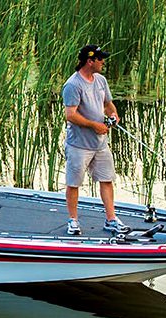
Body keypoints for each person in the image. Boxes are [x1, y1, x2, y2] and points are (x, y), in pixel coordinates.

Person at [61, 44, 130, 235]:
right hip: (79, 145)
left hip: (100, 145)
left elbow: (108, 104)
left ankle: (111, 219)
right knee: (74, 183)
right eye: (100, 59)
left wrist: (114, 115)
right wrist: (94, 125)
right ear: (90, 61)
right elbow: (70, 115)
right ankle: (73, 220)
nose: (103, 63)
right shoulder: (73, 85)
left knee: (106, 179)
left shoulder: (100, 80)